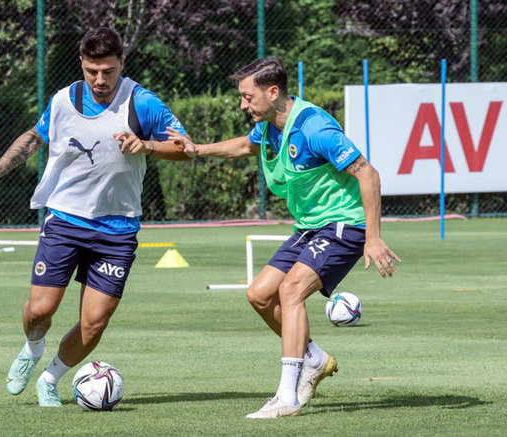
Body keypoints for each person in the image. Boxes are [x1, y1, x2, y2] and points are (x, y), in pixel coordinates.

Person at [167, 57, 400, 419]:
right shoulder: (270, 126)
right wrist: (198, 150)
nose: (242, 105)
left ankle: (287, 397)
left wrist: (373, 237)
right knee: (259, 294)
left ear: (272, 92)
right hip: (310, 226)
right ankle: (315, 359)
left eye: (247, 97)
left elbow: (368, 174)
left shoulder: (314, 128)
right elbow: (244, 146)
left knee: (291, 291)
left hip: (345, 225)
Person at [0, 27, 189, 407]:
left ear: (122, 63)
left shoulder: (143, 103)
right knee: (40, 311)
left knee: (94, 322)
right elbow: (33, 139)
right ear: (82, 64)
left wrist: (147, 145)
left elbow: (185, 147)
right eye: (92, 71)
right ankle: (33, 349)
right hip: (66, 220)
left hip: (118, 229)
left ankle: (50, 379)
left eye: (108, 70)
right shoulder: (63, 101)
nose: (100, 80)